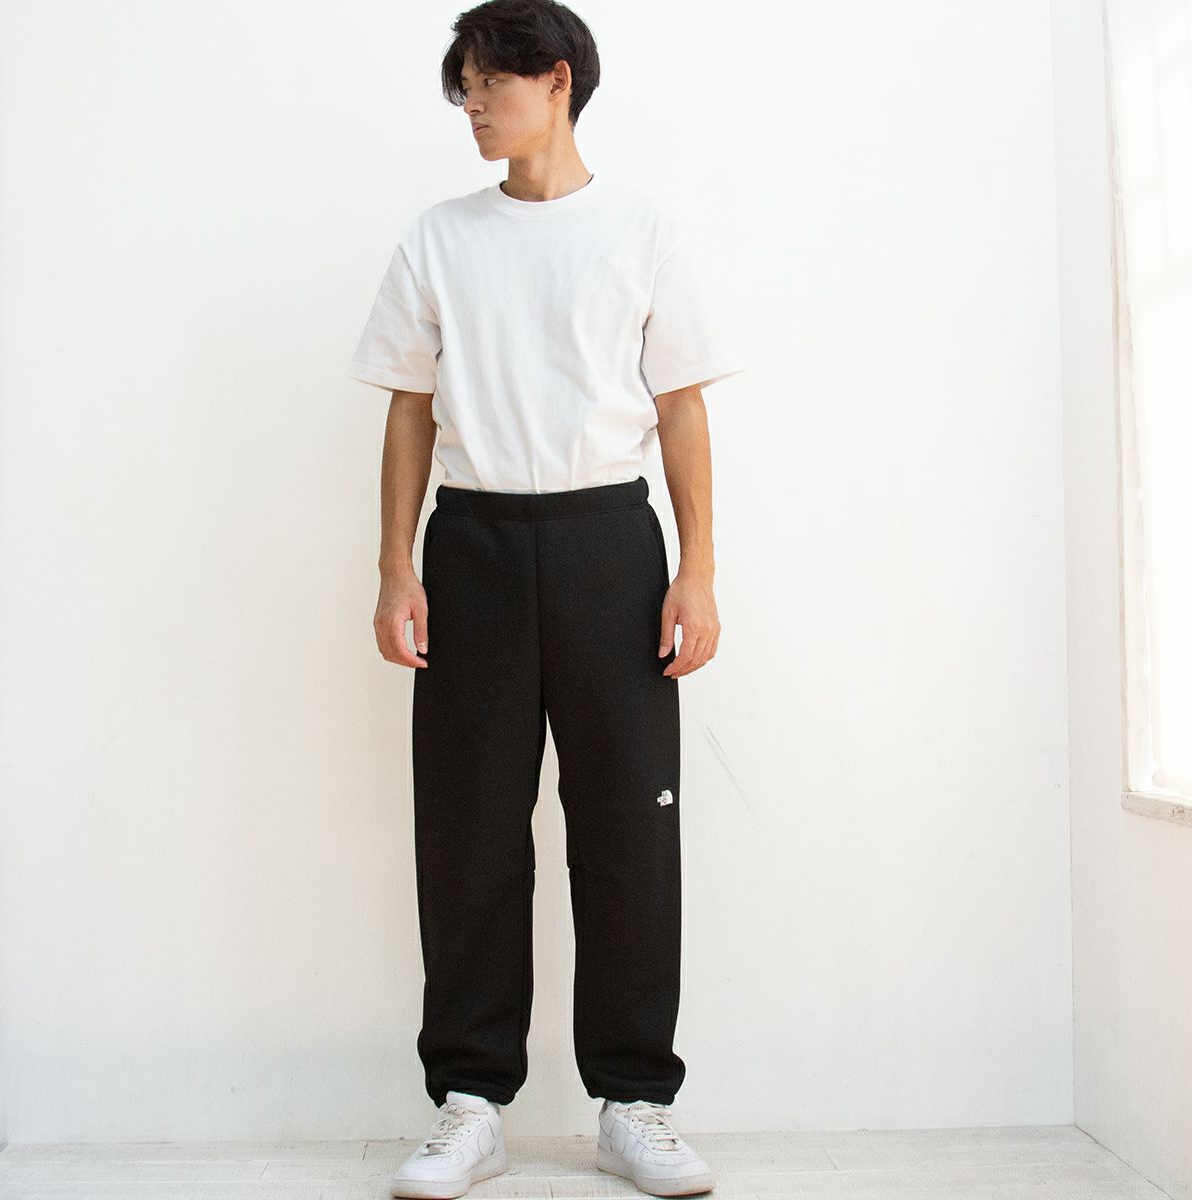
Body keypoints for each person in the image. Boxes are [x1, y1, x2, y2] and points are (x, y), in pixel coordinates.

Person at [348, 1, 745, 1196]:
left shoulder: (641, 228)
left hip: (608, 544)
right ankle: (470, 1103)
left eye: (489, 84)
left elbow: (680, 406)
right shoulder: (439, 238)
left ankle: (636, 1102)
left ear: (557, 79)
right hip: (471, 542)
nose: (472, 106)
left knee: (629, 827)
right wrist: (396, 563)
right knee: (468, 826)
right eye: (464, 87)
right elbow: (410, 409)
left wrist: (697, 569)